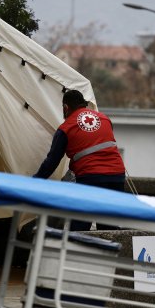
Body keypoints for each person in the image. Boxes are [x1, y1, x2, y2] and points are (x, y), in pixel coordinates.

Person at [34, 90, 126, 231]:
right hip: (117, 176)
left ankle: (73, 251)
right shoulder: (104, 119)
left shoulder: (66, 128)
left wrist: (35, 181)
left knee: (80, 225)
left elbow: (51, 162)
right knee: (108, 226)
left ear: (66, 107)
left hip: (91, 176)